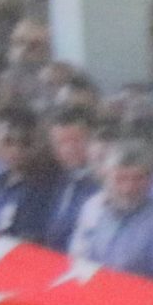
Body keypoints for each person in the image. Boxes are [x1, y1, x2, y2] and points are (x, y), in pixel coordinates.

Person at [69, 142, 153, 285]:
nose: (128, 188)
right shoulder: (92, 208)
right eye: (120, 179)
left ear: (151, 181)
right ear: (106, 176)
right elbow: (77, 257)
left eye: (138, 179)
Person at [0, 105, 66, 244]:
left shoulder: (46, 187)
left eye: (25, 143)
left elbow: (32, 240)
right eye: (8, 142)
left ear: (37, 143)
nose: (16, 150)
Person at [40, 104, 101, 249]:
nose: (69, 149)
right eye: (61, 143)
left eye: (76, 140)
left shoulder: (102, 183)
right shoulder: (51, 179)